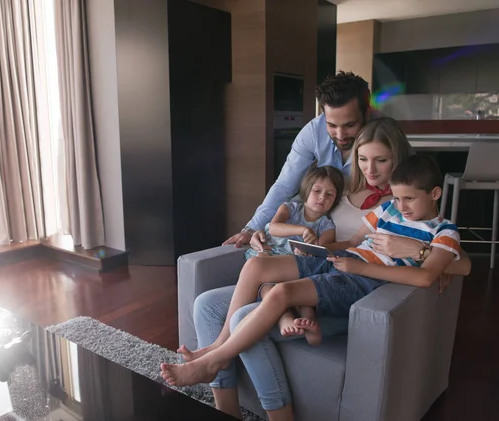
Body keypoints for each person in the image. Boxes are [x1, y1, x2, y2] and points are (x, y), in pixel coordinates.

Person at [173, 118, 471, 421]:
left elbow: (456, 260)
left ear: (399, 159)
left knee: (243, 317)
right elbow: (345, 239)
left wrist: (423, 253)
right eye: (363, 159)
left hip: (351, 280)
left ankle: (217, 361)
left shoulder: (411, 205)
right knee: (215, 297)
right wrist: (263, 232)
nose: (370, 169)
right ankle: (220, 376)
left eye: (381, 160)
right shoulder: (344, 191)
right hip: (327, 260)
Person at [224, 71, 374, 248]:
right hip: (313, 222)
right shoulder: (313, 132)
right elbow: (284, 186)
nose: (340, 135)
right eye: (332, 125)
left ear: (367, 114)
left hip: (358, 225)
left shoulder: (385, 139)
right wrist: (252, 228)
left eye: (350, 125)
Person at [244, 165, 344, 339]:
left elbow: (321, 251)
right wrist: (302, 230)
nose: (322, 197)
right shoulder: (289, 208)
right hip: (269, 259)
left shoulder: (327, 225)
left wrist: (308, 251)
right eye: (317, 191)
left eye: (329, 194)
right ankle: (285, 318)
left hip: (294, 267)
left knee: (298, 290)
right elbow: (274, 228)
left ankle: (309, 321)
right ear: (306, 190)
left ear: (335, 199)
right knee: (268, 288)